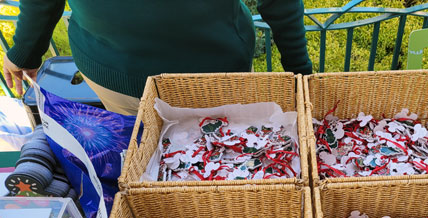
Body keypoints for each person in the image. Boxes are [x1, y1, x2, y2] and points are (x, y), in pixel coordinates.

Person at [3, 0, 312, 115]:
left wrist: (26, 51)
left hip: (115, 69)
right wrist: (299, 70)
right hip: (212, 73)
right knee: (218, 149)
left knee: (149, 149)